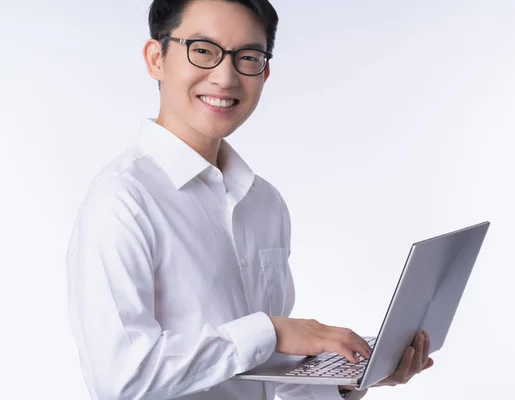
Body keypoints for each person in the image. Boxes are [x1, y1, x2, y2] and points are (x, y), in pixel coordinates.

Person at [66, 1, 434, 399]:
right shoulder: (122, 199)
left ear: (265, 71)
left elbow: (264, 373)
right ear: (156, 58)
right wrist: (270, 331)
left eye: (247, 57)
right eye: (203, 50)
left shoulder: (264, 203)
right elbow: (120, 379)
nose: (225, 77)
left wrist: (345, 379)